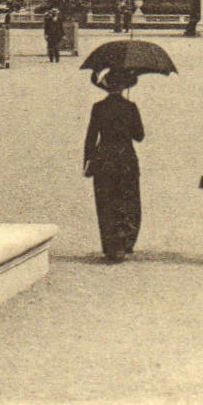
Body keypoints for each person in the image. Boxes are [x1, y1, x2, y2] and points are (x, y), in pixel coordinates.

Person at [83, 67, 145, 262]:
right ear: (124, 86)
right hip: (126, 158)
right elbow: (139, 136)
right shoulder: (131, 107)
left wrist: (87, 161)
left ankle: (111, 246)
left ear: (107, 85)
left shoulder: (98, 107)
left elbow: (91, 137)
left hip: (104, 160)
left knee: (106, 202)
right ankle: (125, 242)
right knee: (128, 201)